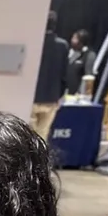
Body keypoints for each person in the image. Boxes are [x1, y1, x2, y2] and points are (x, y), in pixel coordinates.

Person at [31, 11, 70, 141]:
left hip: (32, 97)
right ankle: (40, 161)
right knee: (42, 136)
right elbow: (64, 75)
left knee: (27, 137)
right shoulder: (63, 45)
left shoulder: (34, 42)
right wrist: (59, 95)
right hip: (51, 98)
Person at [65, 29, 95, 95]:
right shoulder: (70, 52)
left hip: (78, 93)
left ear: (81, 42)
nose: (72, 40)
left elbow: (88, 76)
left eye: (75, 38)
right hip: (65, 91)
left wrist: (82, 93)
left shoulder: (88, 55)